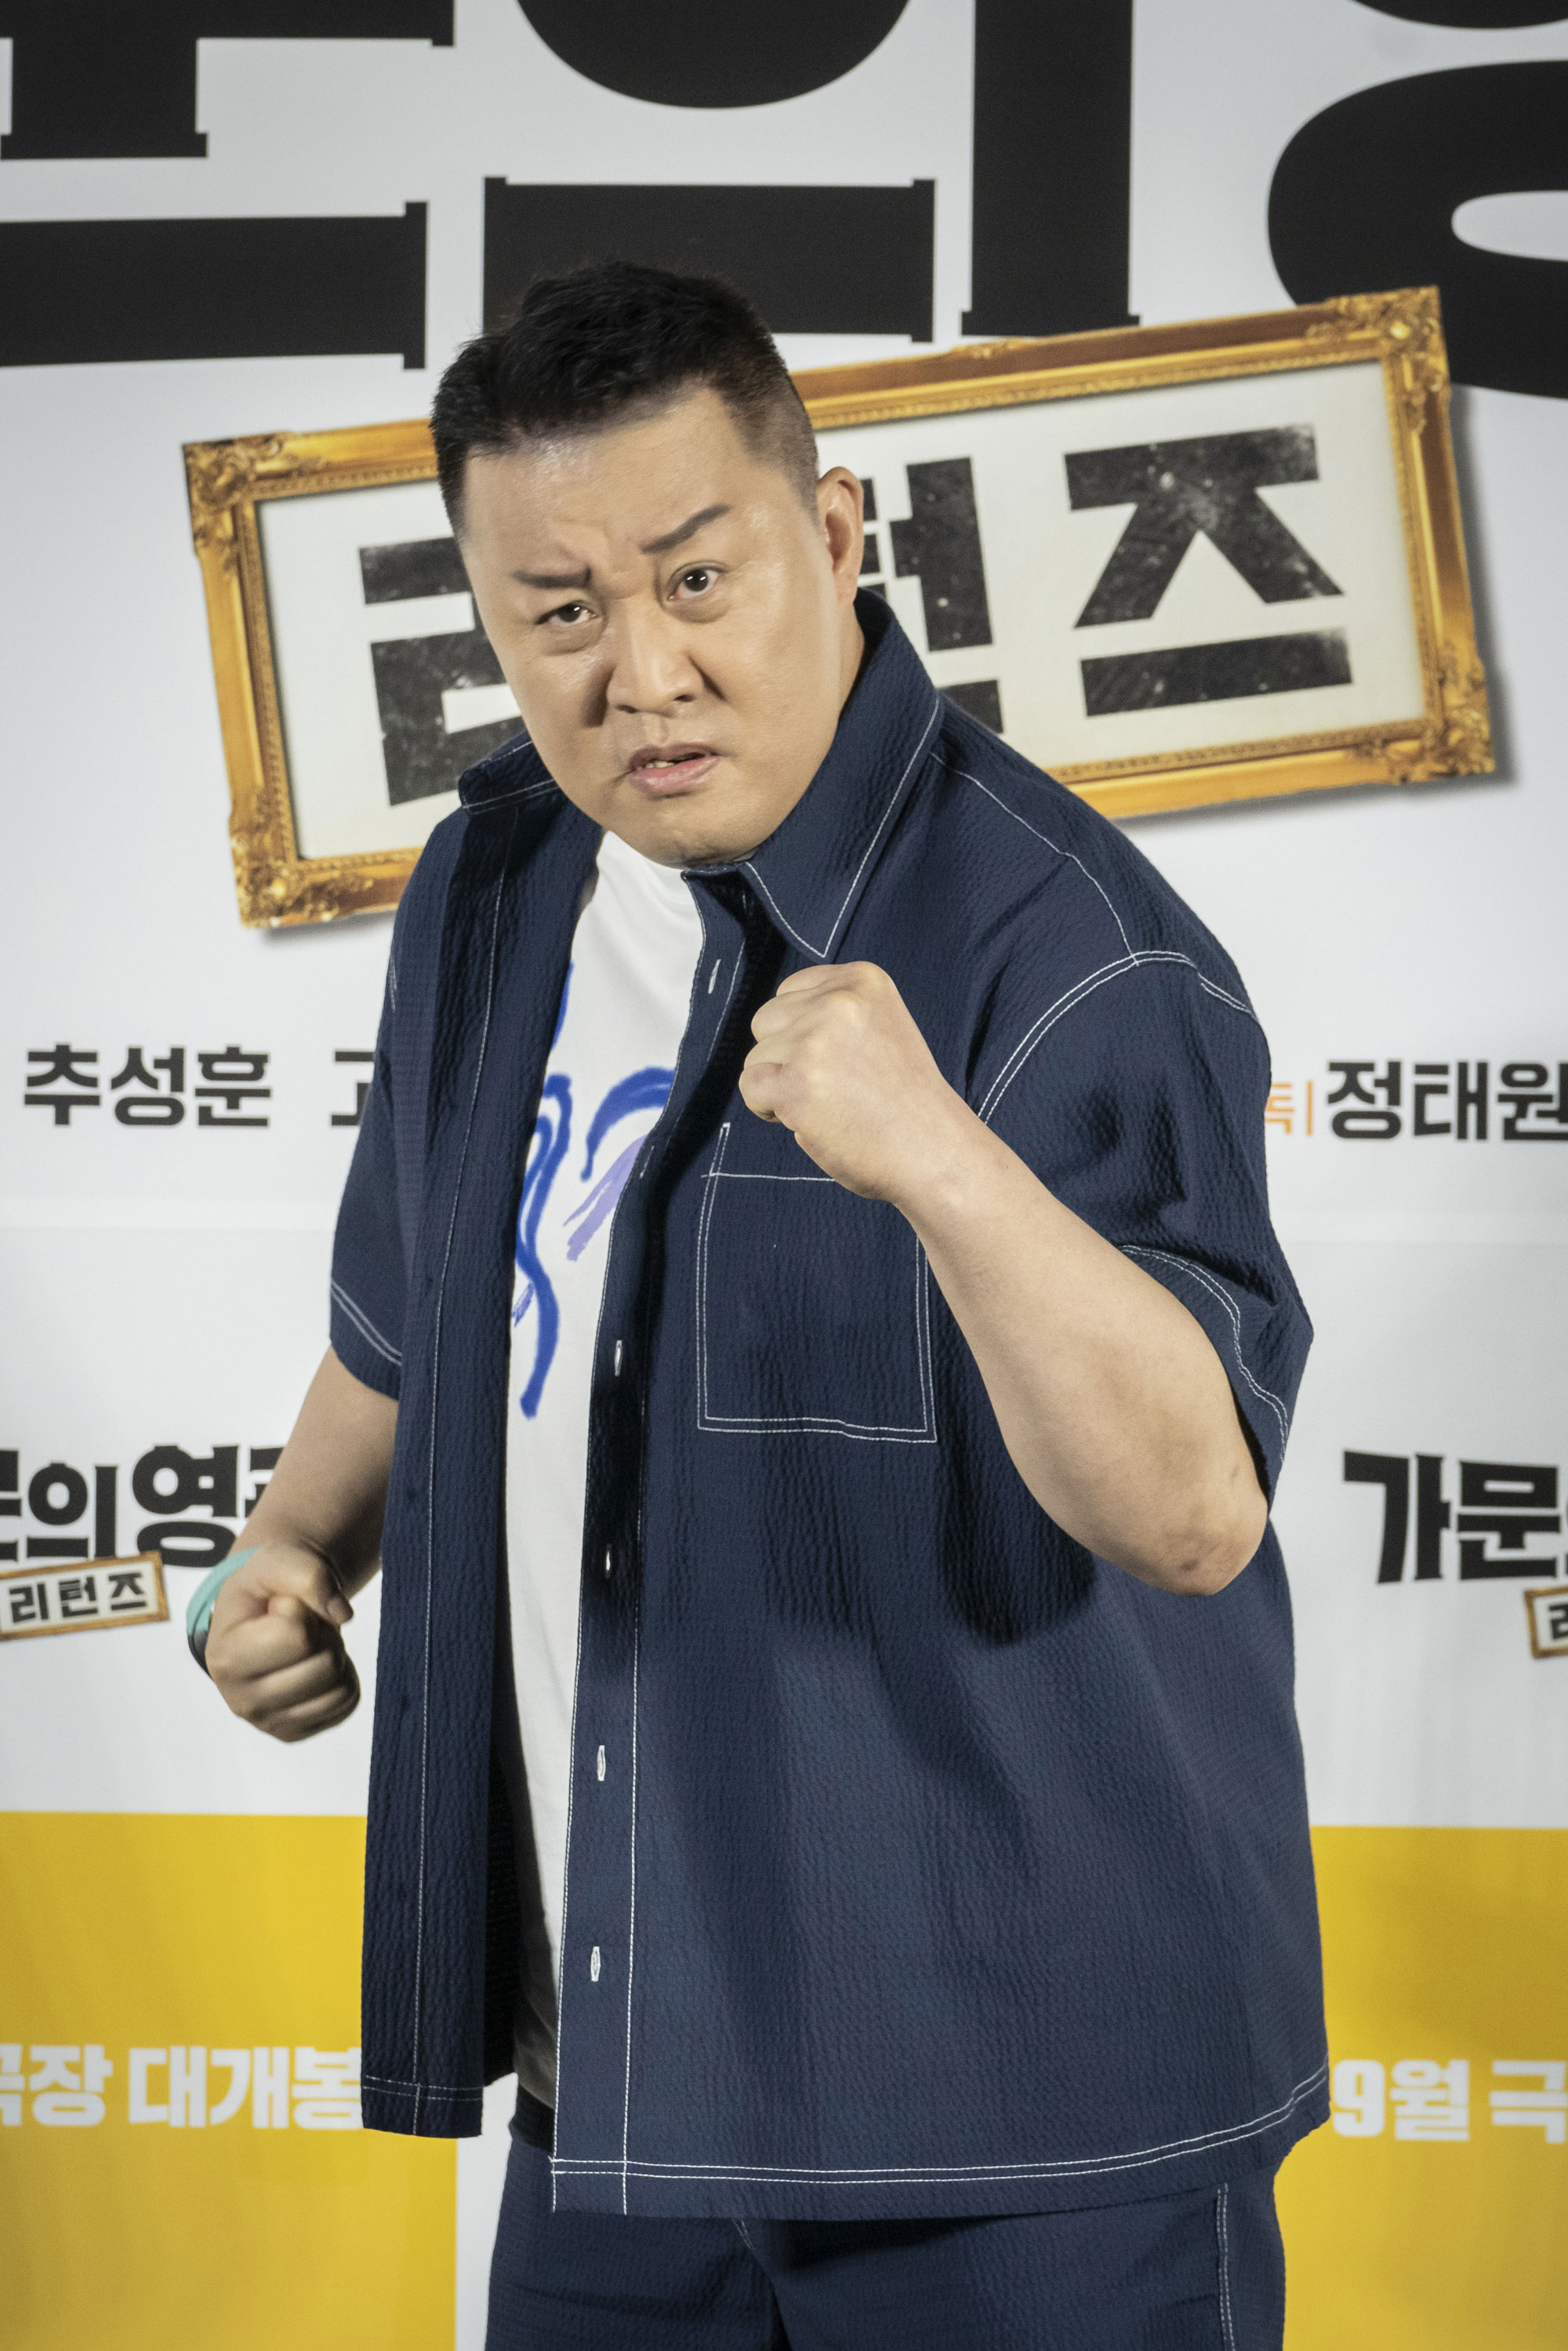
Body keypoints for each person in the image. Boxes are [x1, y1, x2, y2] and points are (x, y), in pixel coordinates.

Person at [191, 260, 1325, 2348]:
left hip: (1020, 2125)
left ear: (834, 532)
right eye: (559, 612)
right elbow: (415, 1313)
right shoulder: (494, 889)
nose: (644, 673)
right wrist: (290, 1546)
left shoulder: (1072, 942)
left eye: (699, 579)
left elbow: (1190, 1512)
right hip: (624, 2087)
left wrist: (942, 1162)